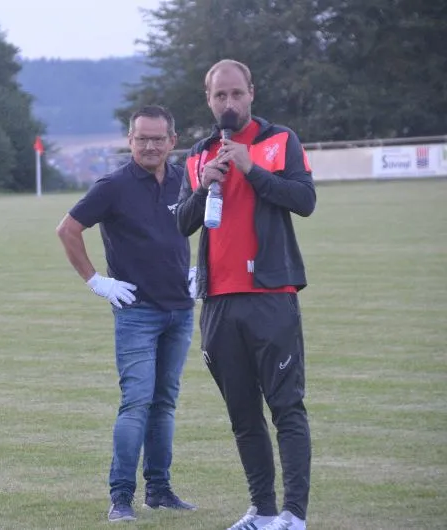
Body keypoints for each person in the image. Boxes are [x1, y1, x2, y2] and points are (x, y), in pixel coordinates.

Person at [176, 59, 316, 530]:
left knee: (286, 407)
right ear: (209, 99)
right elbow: (182, 223)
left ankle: (294, 515)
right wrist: (205, 185)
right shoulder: (198, 155)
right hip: (218, 300)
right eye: (220, 95)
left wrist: (251, 168)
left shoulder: (280, 140)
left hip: (270, 295)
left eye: (237, 93)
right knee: (242, 415)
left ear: (252, 92)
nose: (229, 102)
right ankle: (263, 509)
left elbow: (305, 200)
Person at [57, 105, 197, 523]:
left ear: (172, 141)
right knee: (136, 403)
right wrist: (96, 281)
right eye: (142, 138)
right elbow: (68, 229)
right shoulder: (113, 186)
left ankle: (160, 490)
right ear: (130, 140)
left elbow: (210, 223)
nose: (150, 146)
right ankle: (121, 496)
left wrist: (201, 269)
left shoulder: (185, 180)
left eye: (158, 138)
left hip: (181, 310)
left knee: (165, 403)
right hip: (137, 312)